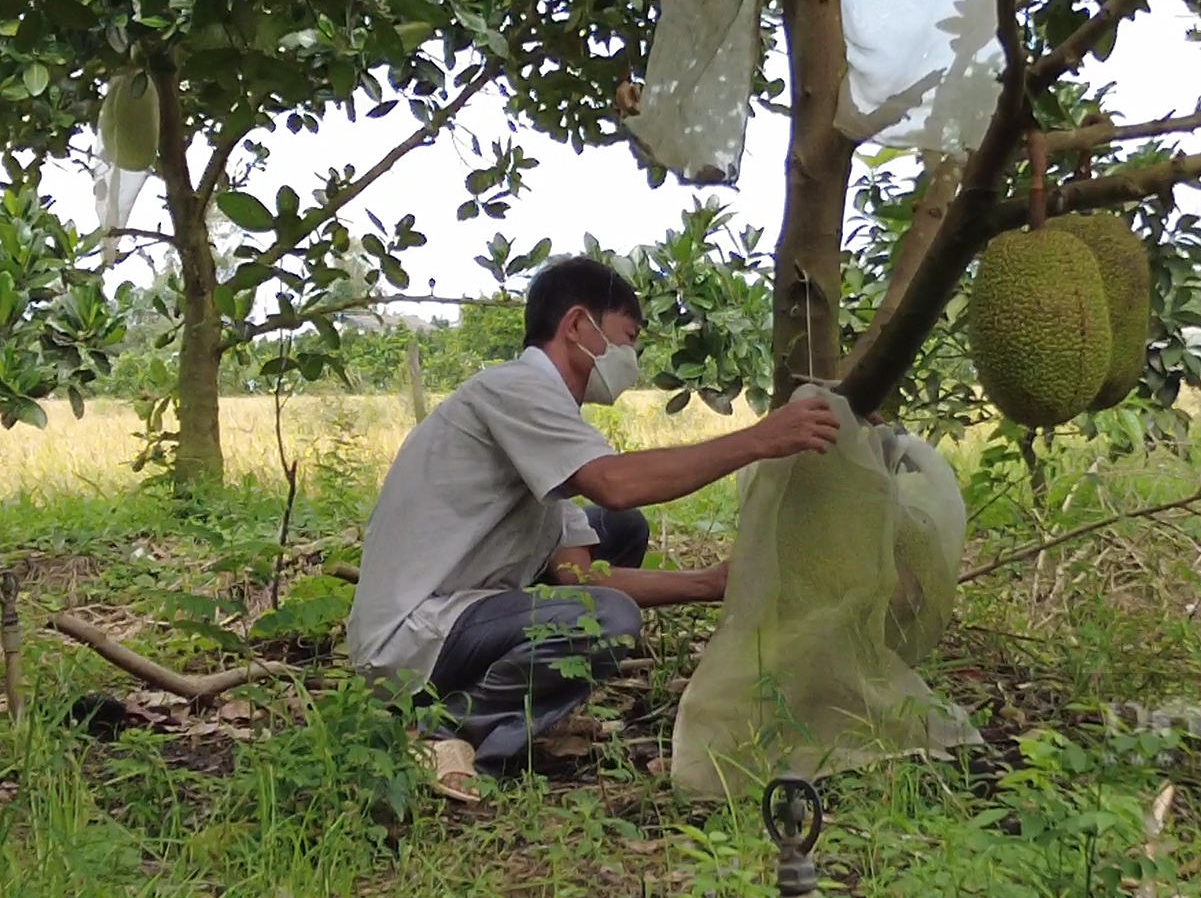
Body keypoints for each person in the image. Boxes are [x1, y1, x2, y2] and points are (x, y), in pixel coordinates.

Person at [344, 255, 842, 800]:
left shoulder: (547, 421)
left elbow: (580, 576)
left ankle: (481, 707)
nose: (632, 358)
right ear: (578, 326)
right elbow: (615, 483)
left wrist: (714, 582)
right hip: (411, 638)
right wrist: (759, 439)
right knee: (608, 614)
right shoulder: (515, 391)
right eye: (627, 339)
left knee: (618, 533)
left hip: (461, 617)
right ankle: (445, 730)